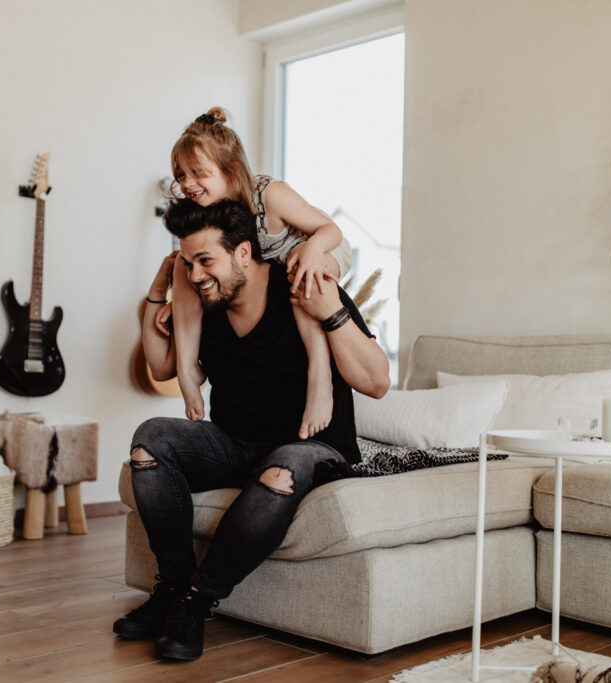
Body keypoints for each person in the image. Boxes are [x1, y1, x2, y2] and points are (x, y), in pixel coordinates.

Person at [113, 198, 389, 661]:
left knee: (285, 465)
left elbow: (377, 382)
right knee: (151, 439)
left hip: (311, 447)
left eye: (206, 261)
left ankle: (196, 601)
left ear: (243, 253)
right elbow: (161, 369)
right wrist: (159, 294)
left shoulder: (302, 285)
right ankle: (173, 587)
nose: (196, 275)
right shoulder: (206, 302)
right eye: (189, 263)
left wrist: (332, 312)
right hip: (235, 444)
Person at [165, 107, 354, 440]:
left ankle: (320, 377)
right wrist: (167, 299)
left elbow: (330, 230)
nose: (187, 184)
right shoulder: (205, 211)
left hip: (320, 248)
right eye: (180, 175)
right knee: (183, 262)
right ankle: (187, 368)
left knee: (297, 270)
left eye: (198, 173)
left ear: (230, 170)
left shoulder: (268, 194)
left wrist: (312, 251)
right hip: (268, 269)